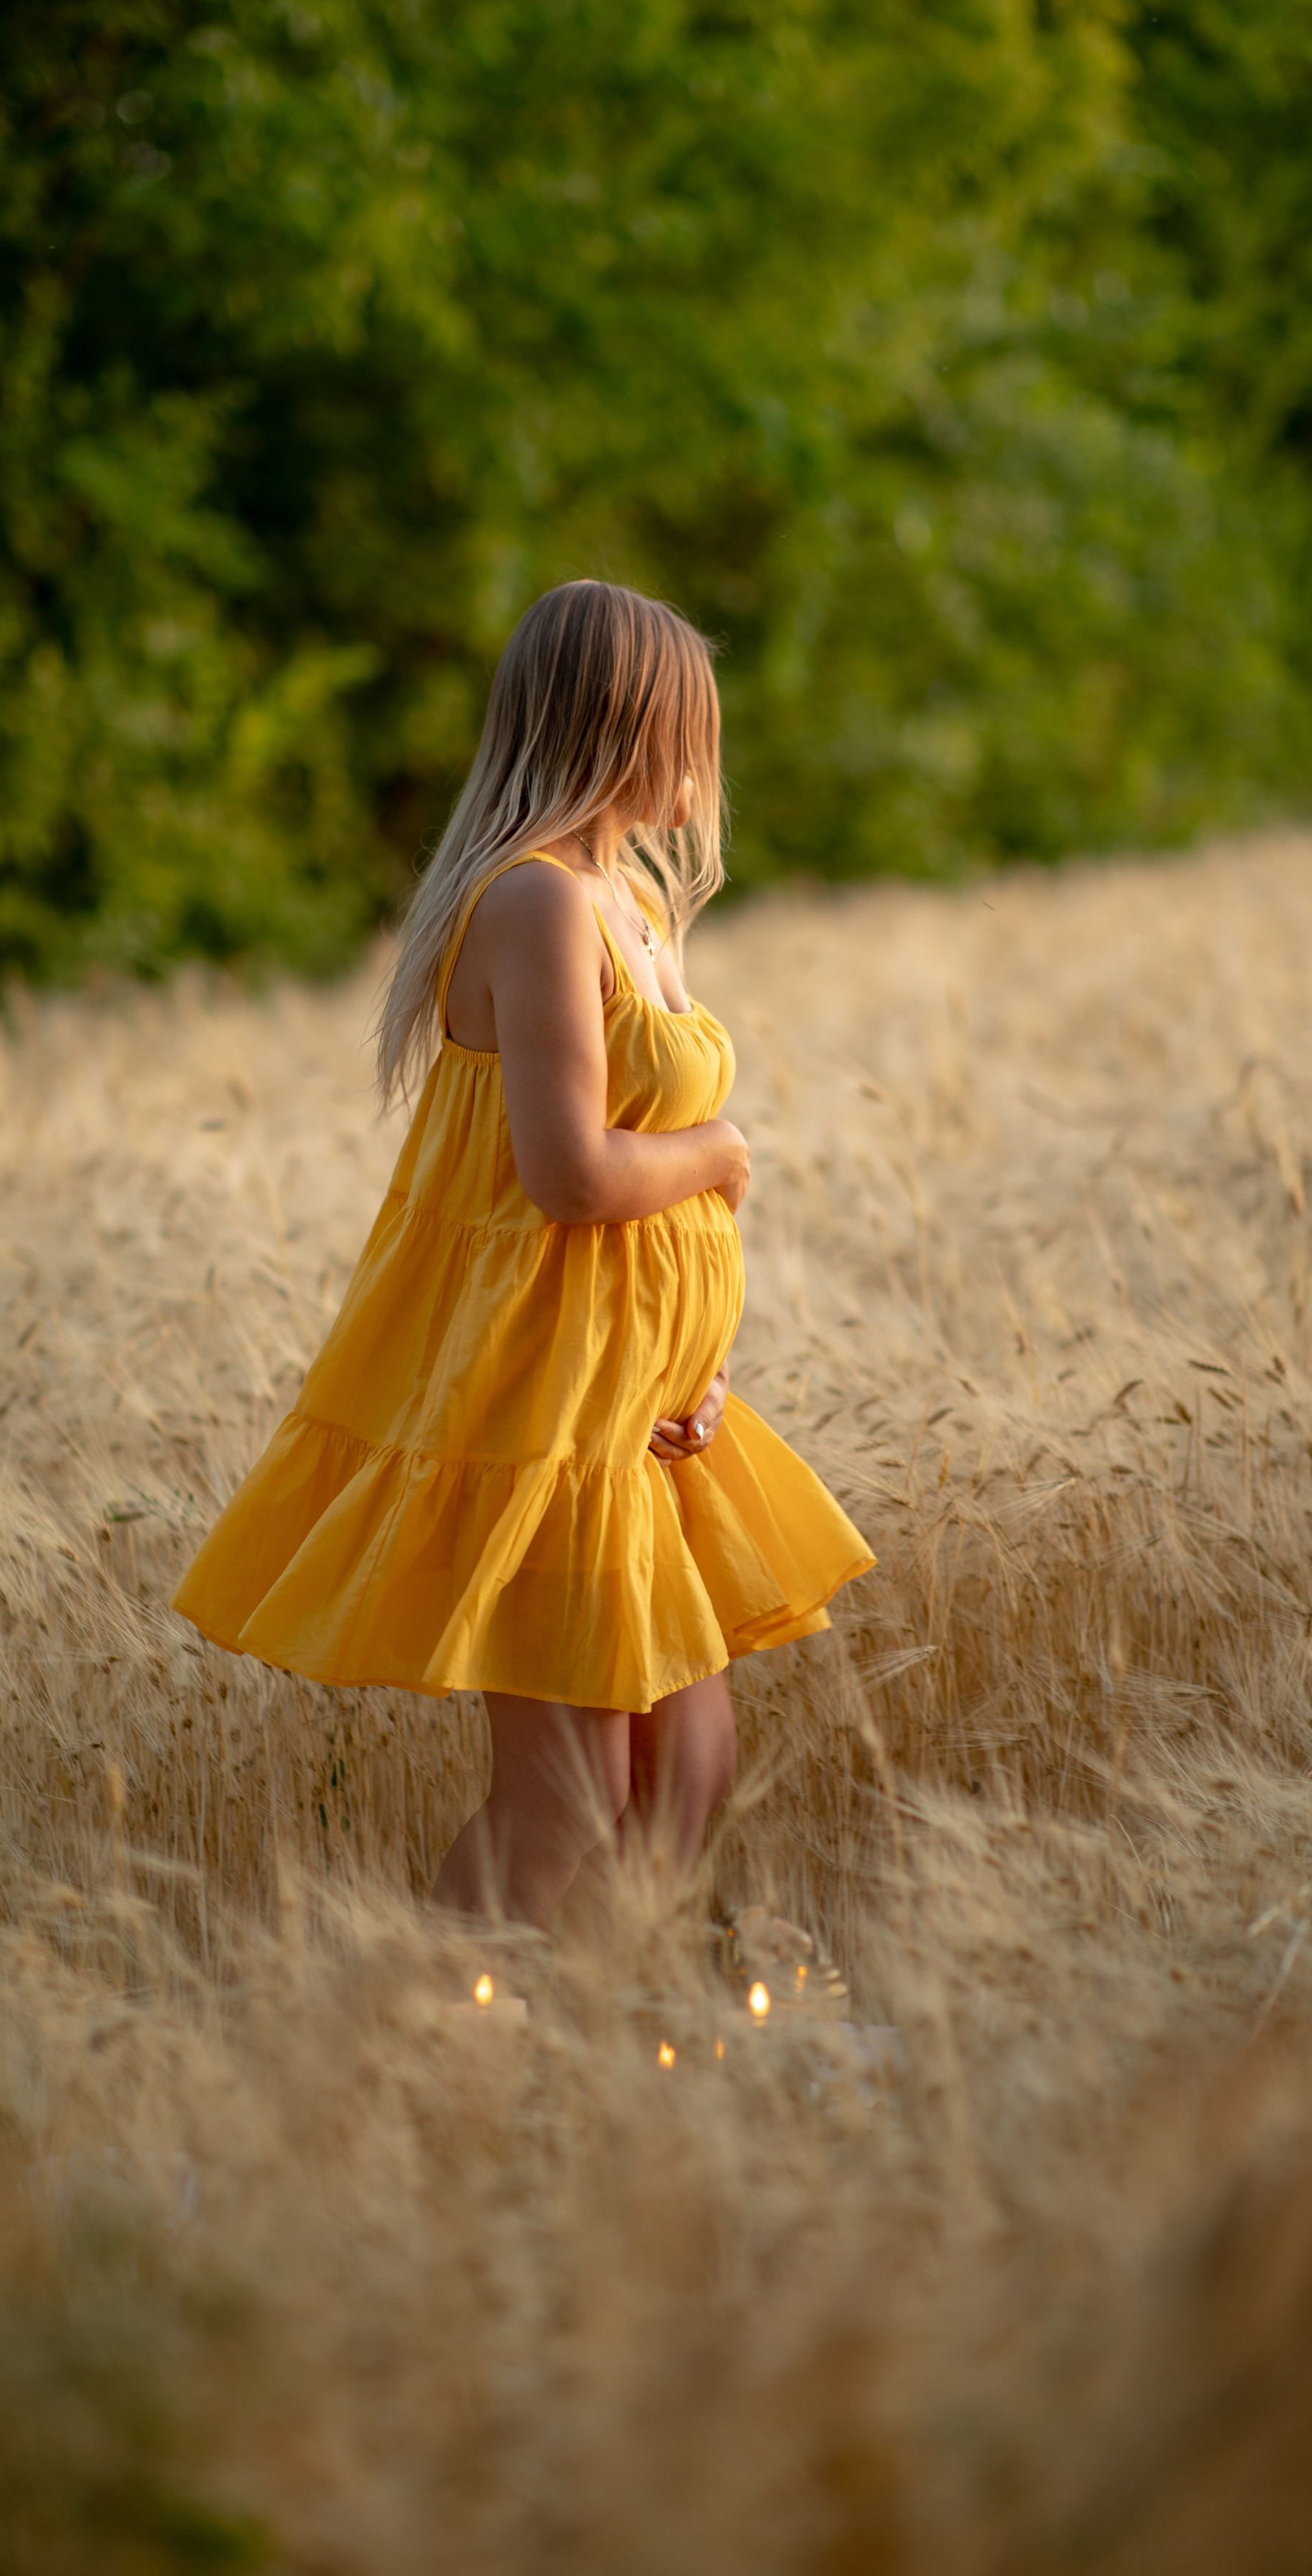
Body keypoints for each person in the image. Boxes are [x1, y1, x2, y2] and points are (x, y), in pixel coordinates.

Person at [173, 580, 872, 1929]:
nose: (705, 758)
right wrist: (725, 1153)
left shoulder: (633, 902)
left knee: (690, 1768)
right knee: (569, 1799)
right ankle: (418, 2030)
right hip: (543, 1406)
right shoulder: (538, 905)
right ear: (617, 724)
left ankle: (606, 2026)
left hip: (639, 1407)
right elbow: (572, 1174)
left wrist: (696, 1367)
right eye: (686, 726)